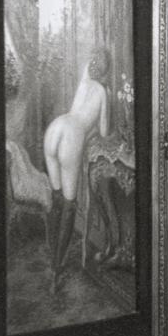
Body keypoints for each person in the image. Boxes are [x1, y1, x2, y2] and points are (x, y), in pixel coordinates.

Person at [43, 47, 110, 281]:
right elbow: (103, 131)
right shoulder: (102, 91)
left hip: (56, 127)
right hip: (72, 135)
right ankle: (56, 268)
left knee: (56, 196)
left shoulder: (84, 82)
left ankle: (53, 253)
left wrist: (91, 63)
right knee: (70, 204)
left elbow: (87, 68)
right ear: (106, 71)